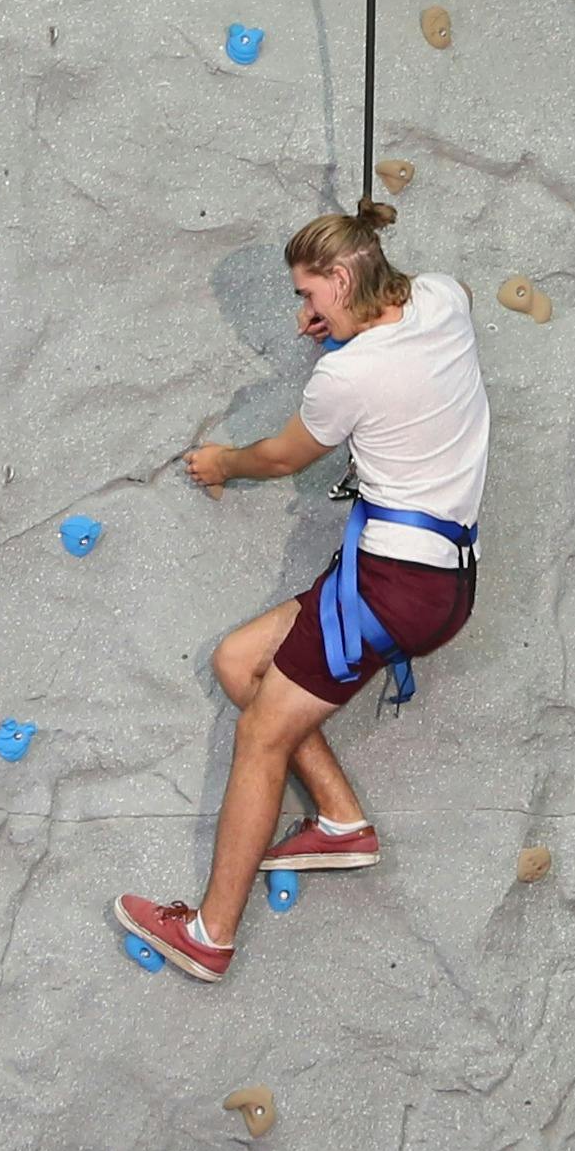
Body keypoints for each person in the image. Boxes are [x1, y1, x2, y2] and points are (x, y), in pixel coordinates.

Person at [113, 202, 486, 982]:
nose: (302, 319)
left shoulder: (344, 377)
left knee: (260, 739)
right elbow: (416, 303)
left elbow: (282, 458)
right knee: (239, 663)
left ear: (343, 276)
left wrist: (221, 464)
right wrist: (352, 315)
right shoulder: (445, 299)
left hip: (390, 584)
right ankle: (341, 821)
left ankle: (209, 935)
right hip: (436, 578)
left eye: (309, 297)